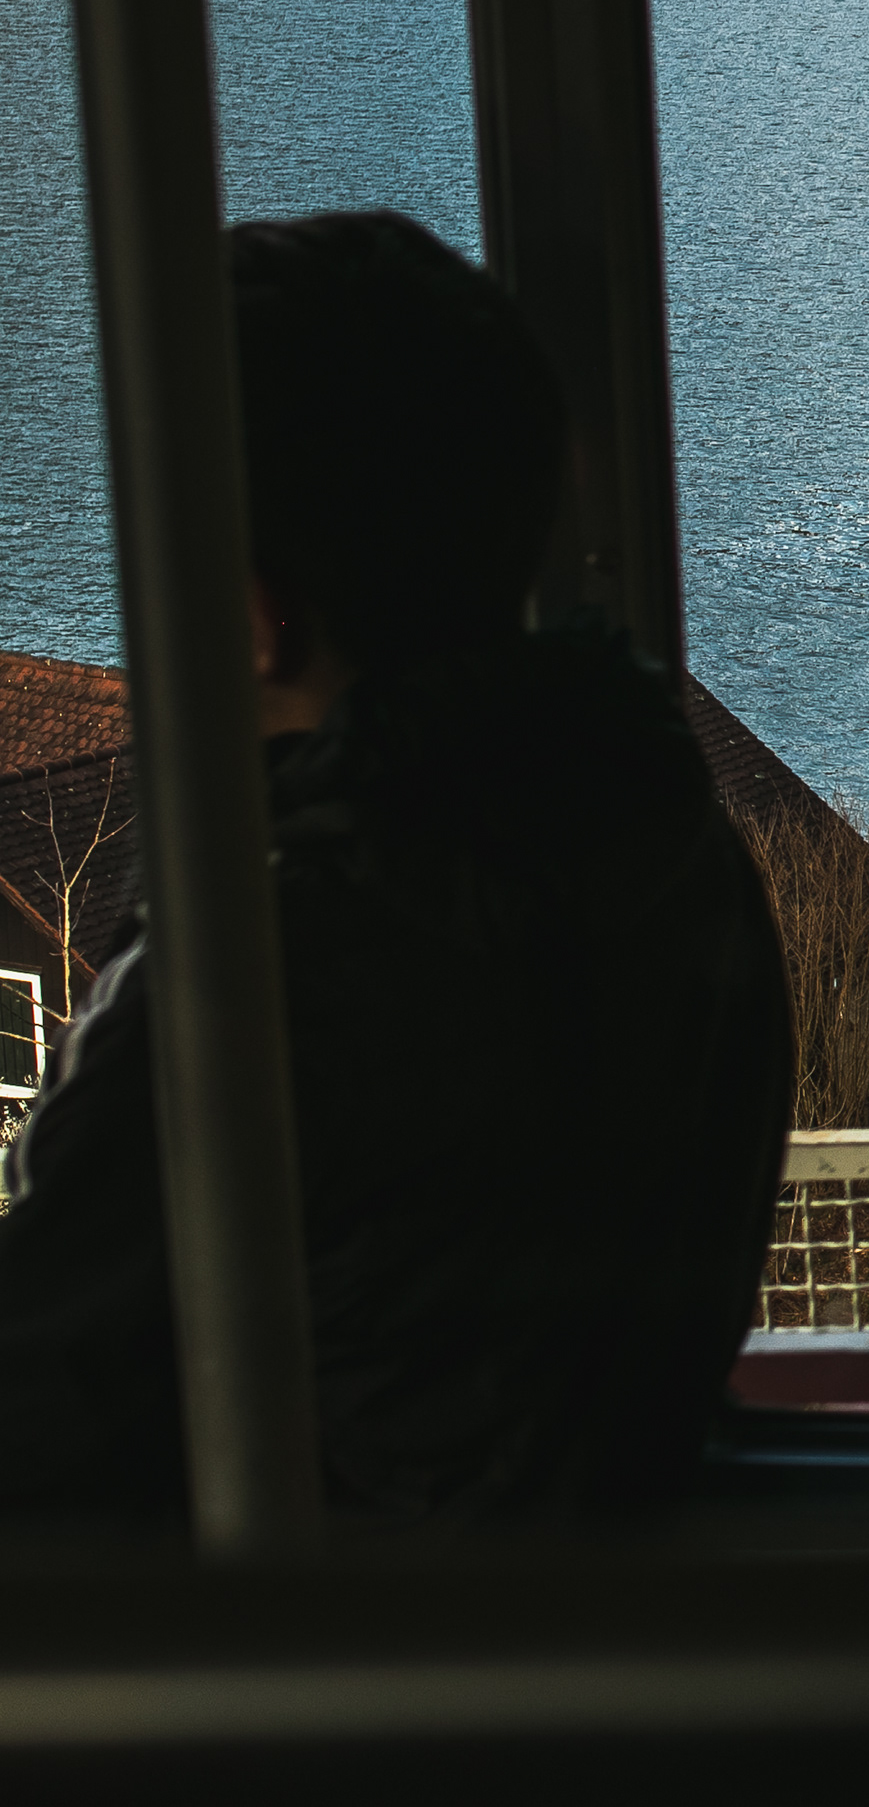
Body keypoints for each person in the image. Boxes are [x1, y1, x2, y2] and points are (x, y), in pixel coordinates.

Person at [0, 212, 794, 1525]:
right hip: (597, 1640)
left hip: (319, 1690)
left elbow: (34, 1417)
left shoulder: (253, 975)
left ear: (256, 615)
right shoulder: (674, 856)